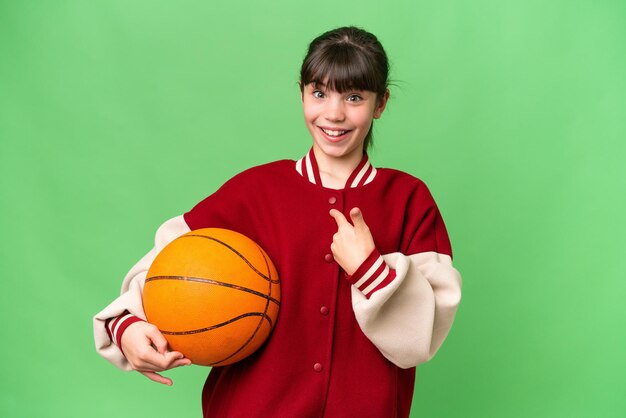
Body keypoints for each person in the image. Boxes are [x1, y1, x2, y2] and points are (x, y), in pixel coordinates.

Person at [94, 26, 462, 418]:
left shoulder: (409, 199)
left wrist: (370, 270)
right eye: (319, 93)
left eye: (354, 97)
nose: (333, 113)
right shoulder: (255, 190)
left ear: (381, 103)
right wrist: (127, 326)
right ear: (301, 93)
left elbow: (426, 331)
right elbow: (169, 267)